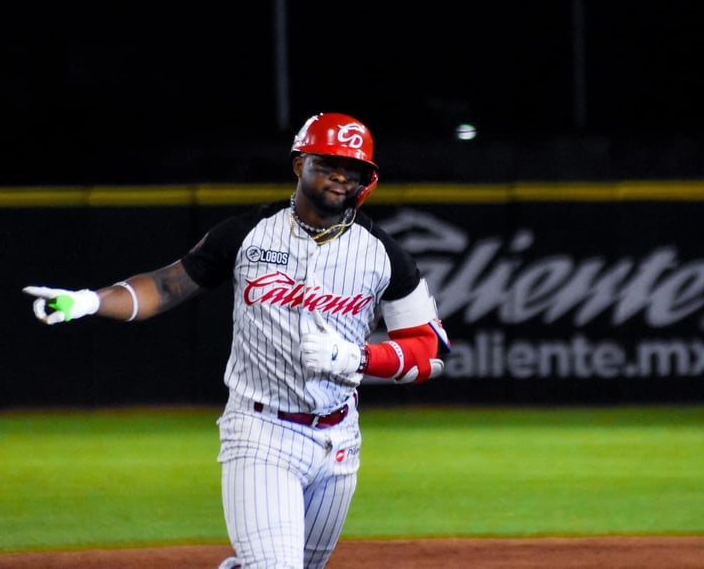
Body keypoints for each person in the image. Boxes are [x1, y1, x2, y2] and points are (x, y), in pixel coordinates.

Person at [22, 112, 451, 569]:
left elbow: (430, 353)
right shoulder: (248, 233)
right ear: (298, 164)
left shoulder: (385, 255)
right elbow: (167, 286)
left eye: (354, 168)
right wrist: (90, 301)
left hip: (339, 440)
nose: (341, 175)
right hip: (261, 430)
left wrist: (359, 357)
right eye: (327, 163)